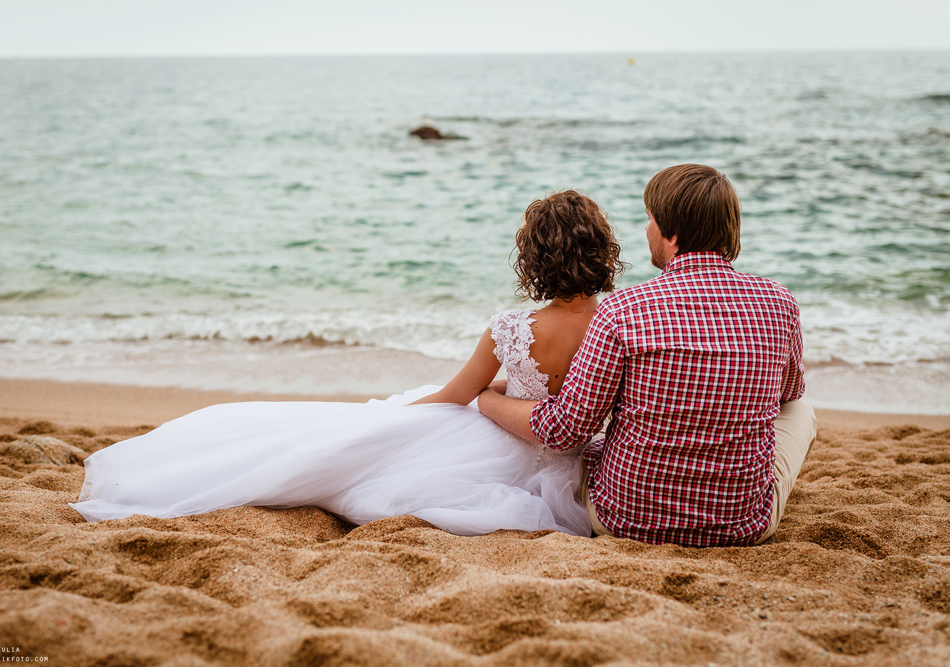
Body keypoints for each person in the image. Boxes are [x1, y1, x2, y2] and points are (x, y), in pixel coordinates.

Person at [70, 190, 624, 537]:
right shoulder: (620, 321)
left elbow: (456, 396)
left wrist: (414, 411)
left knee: (386, 428)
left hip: (506, 442)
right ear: (601, 251)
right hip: (568, 466)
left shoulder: (511, 328)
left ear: (535, 259)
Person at [478, 165, 817, 548]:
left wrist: (487, 399)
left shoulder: (622, 310)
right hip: (741, 525)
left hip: (624, 519)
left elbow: (564, 429)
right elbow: (789, 393)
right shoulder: (779, 303)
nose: (646, 229)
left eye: (650, 218)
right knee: (801, 410)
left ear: (672, 234)